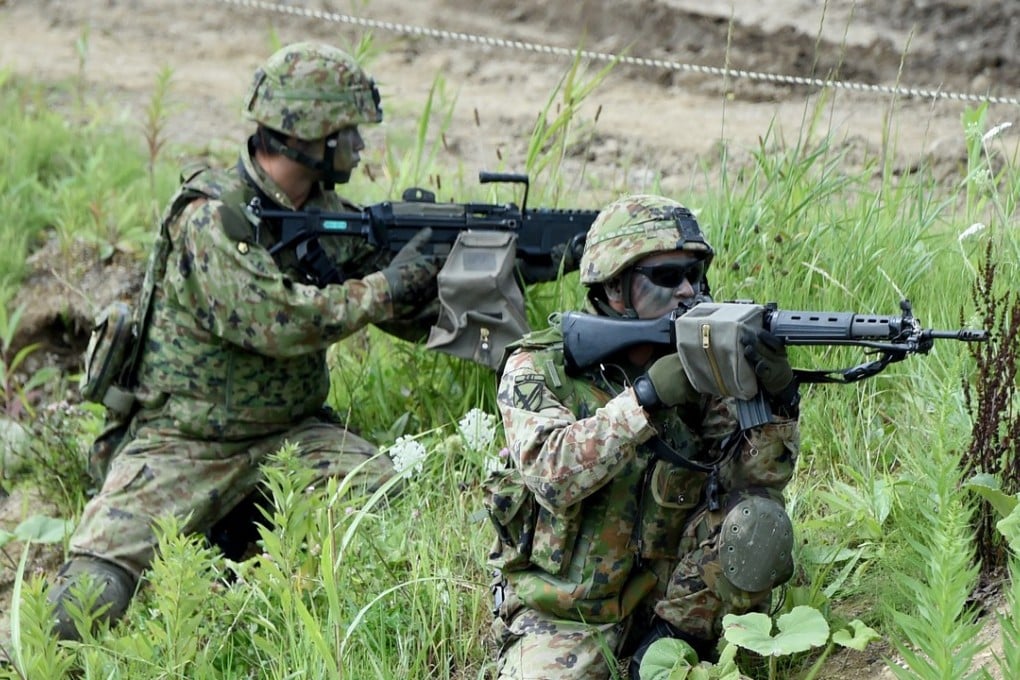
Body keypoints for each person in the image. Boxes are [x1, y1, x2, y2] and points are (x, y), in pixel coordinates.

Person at [48, 42, 440, 640]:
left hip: (292, 434)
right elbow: (278, 322)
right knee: (87, 594)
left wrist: (467, 269)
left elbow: (410, 310)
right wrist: (387, 287)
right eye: (348, 132)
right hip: (185, 441)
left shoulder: (324, 212)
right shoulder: (211, 217)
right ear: (310, 134)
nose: (359, 146)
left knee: (390, 509)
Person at [484, 194, 801, 678]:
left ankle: (669, 651)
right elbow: (551, 474)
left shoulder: (700, 366)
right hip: (564, 613)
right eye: (668, 276)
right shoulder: (540, 368)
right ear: (615, 285)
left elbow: (751, 484)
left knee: (758, 521)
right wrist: (645, 399)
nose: (688, 290)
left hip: (671, 598)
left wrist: (777, 401)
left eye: (695, 274)